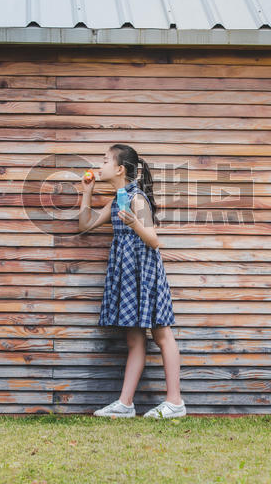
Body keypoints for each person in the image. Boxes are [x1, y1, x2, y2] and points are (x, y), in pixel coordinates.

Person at [78, 144, 185, 419]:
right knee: (134, 339)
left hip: (144, 271)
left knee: (161, 333)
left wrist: (134, 224)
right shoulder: (117, 199)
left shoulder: (137, 200)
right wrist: (87, 194)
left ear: (119, 169)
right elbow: (85, 225)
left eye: (104, 161)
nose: (99, 166)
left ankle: (175, 402)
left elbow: (153, 240)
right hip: (126, 273)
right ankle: (125, 404)